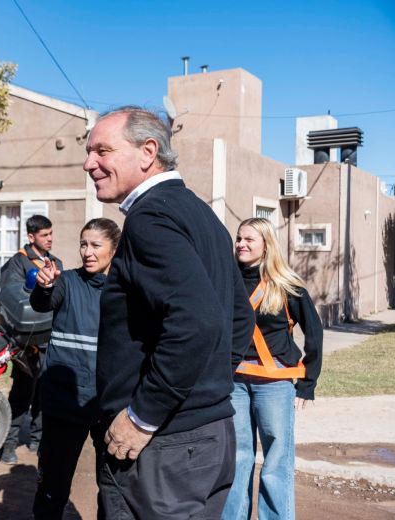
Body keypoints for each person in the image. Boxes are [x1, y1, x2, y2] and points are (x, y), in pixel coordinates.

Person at [85, 106, 256, 519]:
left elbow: (199, 322)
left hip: (164, 446)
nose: (90, 163)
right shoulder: (201, 215)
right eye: (89, 152)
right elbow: (238, 318)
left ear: (148, 152)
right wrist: (204, 385)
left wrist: (143, 415)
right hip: (205, 437)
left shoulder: (152, 218)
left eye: (102, 150)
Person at [221, 218, 323, 520]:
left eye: (249, 239)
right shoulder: (226, 281)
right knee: (236, 459)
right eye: (239, 238)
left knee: (277, 460)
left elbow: (314, 333)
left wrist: (308, 382)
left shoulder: (287, 284)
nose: (241, 244)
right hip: (234, 383)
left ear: (266, 244)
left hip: (274, 385)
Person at [30, 217, 121, 519]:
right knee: (53, 487)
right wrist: (44, 286)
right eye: (83, 244)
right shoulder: (67, 282)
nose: (87, 252)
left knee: (112, 490)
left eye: (96, 245)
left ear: (114, 249)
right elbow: (44, 301)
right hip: (65, 404)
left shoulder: (126, 292)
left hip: (108, 406)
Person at [0, 214, 63, 464]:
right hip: (27, 343)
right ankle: (8, 445)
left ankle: (37, 439)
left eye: (51, 234)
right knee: (22, 395)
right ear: (31, 237)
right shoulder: (18, 263)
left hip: (49, 339)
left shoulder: (55, 262)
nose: (49, 239)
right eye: (44, 235)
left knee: (45, 395)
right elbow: (14, 298)